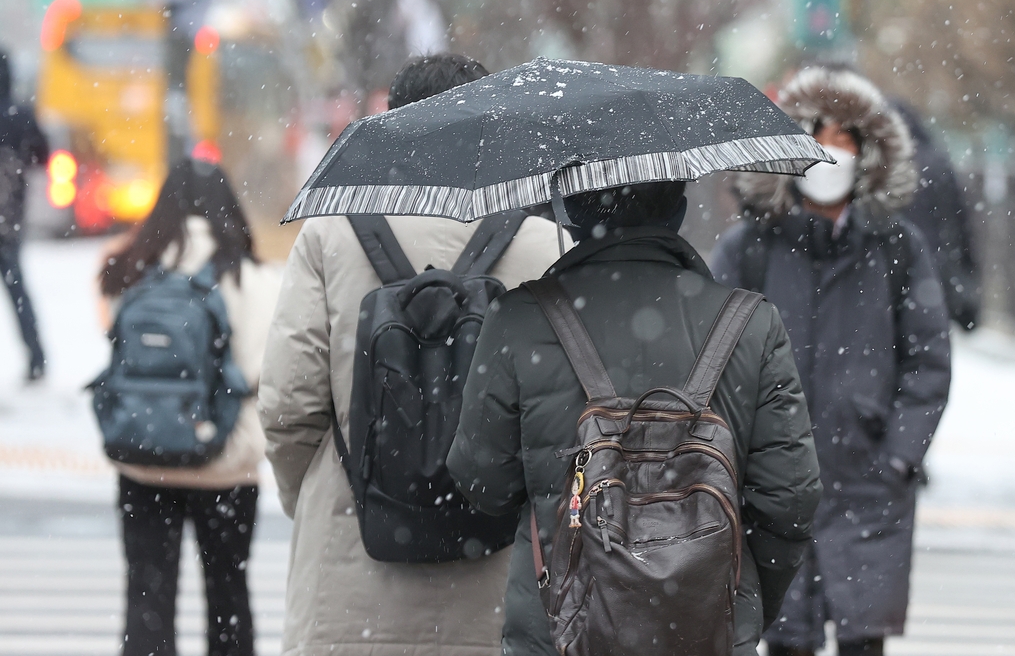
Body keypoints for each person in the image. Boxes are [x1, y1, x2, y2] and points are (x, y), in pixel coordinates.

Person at [257, 53, 567, 656]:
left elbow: (287, 405)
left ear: (393, 124)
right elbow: (563, 419)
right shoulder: (545, 243)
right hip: (499, 592)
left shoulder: (331, 232)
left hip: (351, 595)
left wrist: (331, 494)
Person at [447, 181, 823, 655]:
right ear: (679, 210)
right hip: (709, 631)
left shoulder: (518, 317)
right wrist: (740, 597)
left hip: (558, 632)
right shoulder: (751, 323)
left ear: (570, 211)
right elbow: (790, 498)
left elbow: (482, 481)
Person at [711, 67, 952, 656]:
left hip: (869, 483)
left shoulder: (896, 247)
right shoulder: (751, 246)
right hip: (771, 485)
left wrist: (898, 456)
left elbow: (928, 360)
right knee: (784, 638)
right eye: (817, 134)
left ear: (868, 153)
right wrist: (738, 452)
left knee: (862, 639)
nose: (831, 151)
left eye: (845, 137)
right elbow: (710, 355)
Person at [98, 159, 280, 656]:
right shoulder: (254, 278)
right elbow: (267, 368)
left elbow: (114, 344)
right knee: (228, 595)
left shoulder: (129, 270)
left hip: (142, 455)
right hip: (226, 465)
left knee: (147, 597)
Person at [892, 101, 981, 332]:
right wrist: (966, 266)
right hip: (935, 269)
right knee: (931, 337)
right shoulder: (936, 159)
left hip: (897, 268)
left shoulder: (886, 163)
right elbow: (959, 220)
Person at [0, 48, 49, 381]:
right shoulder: (20, 113)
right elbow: (43, 155)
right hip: (9, 216)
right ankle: (36, 358)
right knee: (18, 291)